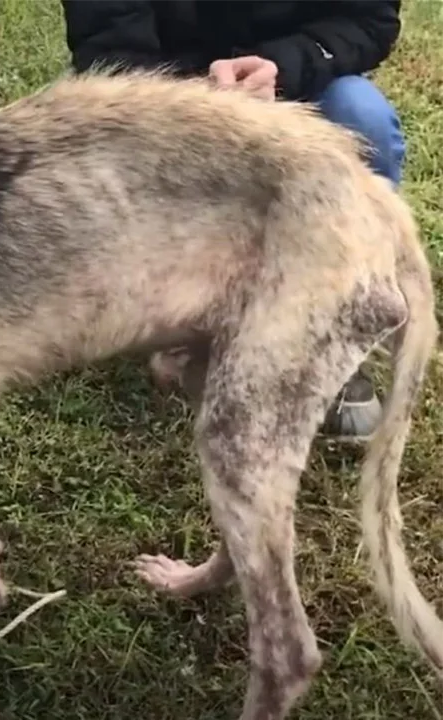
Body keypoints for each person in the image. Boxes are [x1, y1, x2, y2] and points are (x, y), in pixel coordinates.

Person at [60, 0, 405, 440]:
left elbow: (369, 20)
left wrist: (280, 67)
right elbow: (108, 45)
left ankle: (331, 330)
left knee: (361, 119)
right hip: (161, 91)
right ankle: (184, 317)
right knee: (83, 129)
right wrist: (200, 98)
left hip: (294, 86)